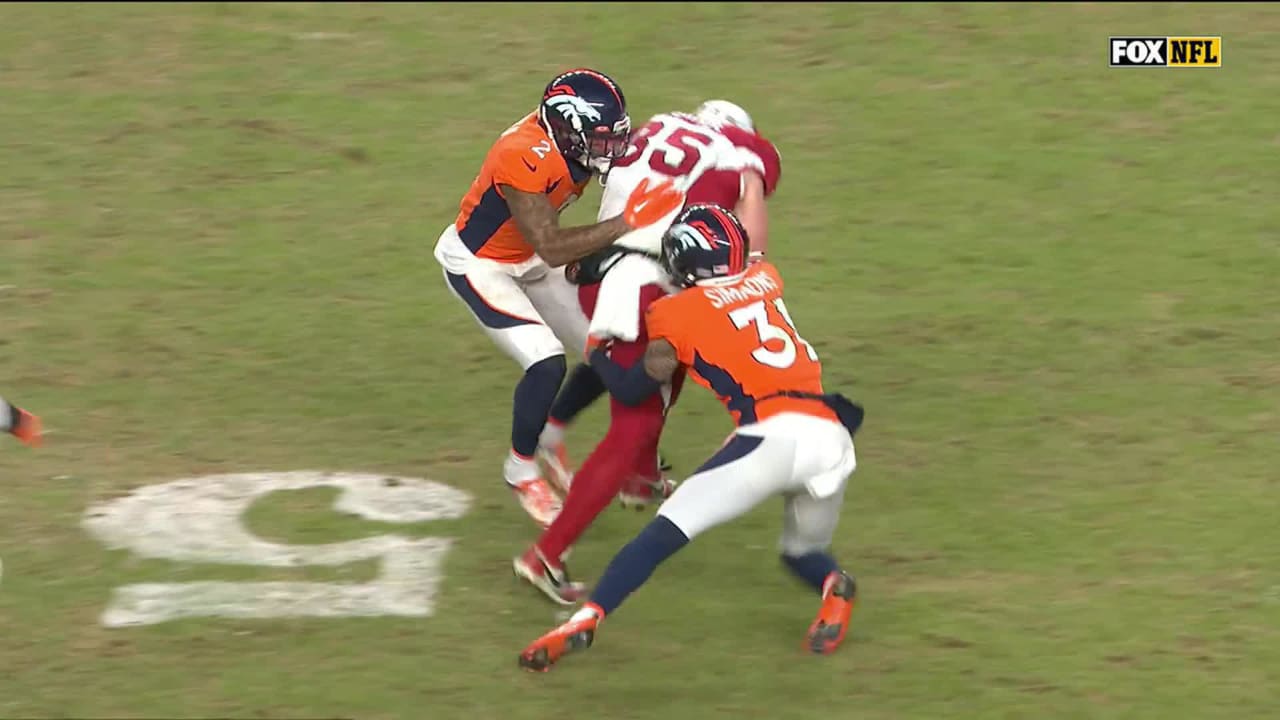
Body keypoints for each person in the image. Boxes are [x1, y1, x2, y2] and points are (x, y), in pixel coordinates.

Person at [517, 204, 866, 671]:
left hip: (769, 438)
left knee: (662, 534)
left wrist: (599, 351)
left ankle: (585, 618)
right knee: (801, 551)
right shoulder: (768, 277)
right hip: (831, 437)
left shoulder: (673, 314)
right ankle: (835, 587)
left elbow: (634, 386)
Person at [514, 102, 784, 603]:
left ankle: (639, 480)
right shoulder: (740, 151)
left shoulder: (657, 126)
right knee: (632, 420)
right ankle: (546, 556)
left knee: (671, 360)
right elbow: (751, 237)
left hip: (603, 267)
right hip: (644, 284)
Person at [432, 68, 683, 528]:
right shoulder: (522, 155)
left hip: (529, 256)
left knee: (609, 340)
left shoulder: (569, 142)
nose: (611, 148)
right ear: (568, 128)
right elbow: (550, 243)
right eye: (602, 138)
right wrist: (624, 224)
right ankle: (520, 469)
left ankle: (551, 434)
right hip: (481, 264)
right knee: (546, 361)